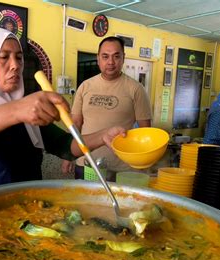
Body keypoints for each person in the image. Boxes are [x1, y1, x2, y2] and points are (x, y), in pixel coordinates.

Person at [0, 27, 125, 195]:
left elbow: (65, 145)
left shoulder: (26, 104)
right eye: (4, 57)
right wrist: (17, 110)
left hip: (28, 207)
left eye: (19, 57)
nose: (15, 65)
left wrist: (104, 136)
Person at [61, 36, 152, 180]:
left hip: (120, 168)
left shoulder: (136, 89)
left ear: (123, 58)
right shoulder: (85, 86)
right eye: (105, 56)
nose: (110, 62)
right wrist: (67, 156)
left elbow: (145, 131)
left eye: (116, 56)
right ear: (98, 58)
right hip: (86, 162)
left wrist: (143, 163)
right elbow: (76, 123)